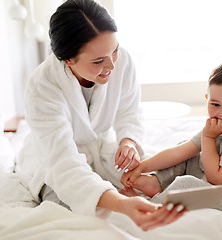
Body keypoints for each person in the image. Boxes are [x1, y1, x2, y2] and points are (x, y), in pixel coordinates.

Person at [16, 0, 185, 231]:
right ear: (67, 59)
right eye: (98, 61)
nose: (112, 65)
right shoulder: (42, 86)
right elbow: (63, 163)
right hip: (54, 158)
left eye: (114, 50)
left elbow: (129, 111)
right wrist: (122, 204)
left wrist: (128, 141)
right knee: (67, 211)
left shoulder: (121, 60)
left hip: (101, 146)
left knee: (153, 178)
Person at [121, 62, 222, 210]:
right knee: (185, 153)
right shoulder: (218, 126)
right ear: (207, 99)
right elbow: (178, 152)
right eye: (215, 104)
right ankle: (156, 182)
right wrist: (141, 167)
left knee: (186, 184)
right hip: (213, 174)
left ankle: (151, 204)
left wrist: (208, 138)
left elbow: (215, 179)